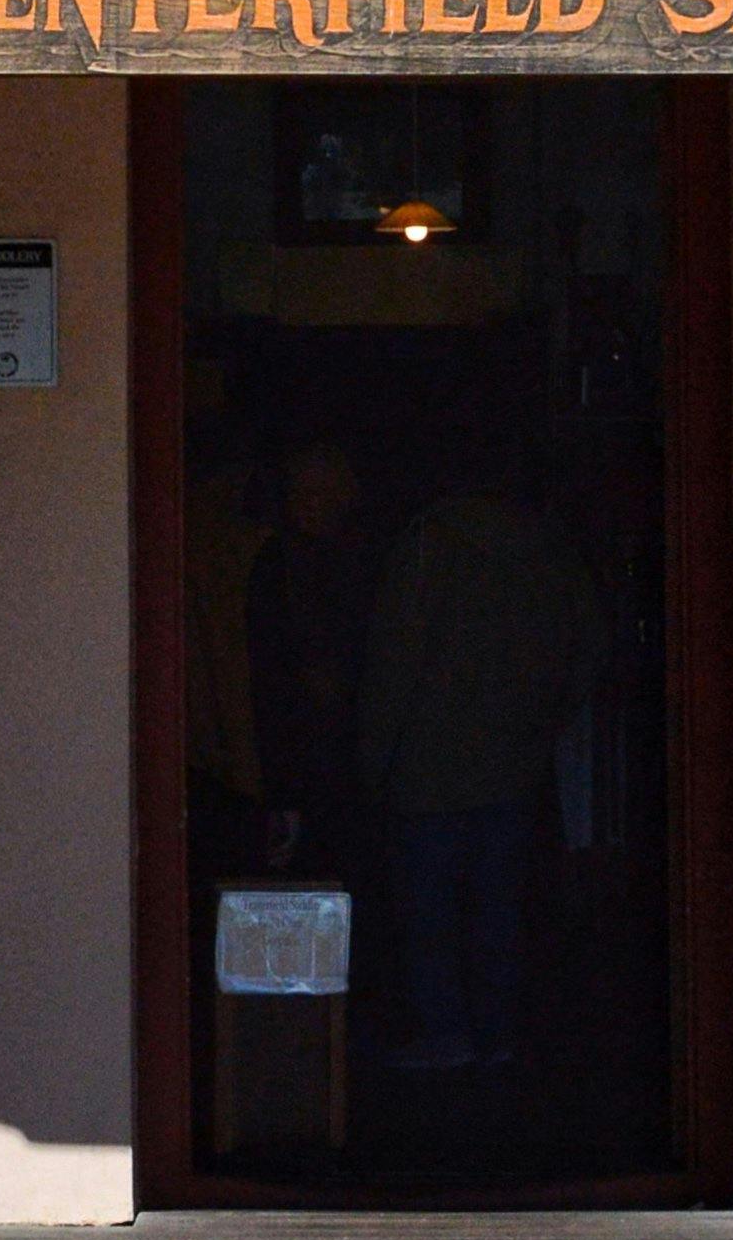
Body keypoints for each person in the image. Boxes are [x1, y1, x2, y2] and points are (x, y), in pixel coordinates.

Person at [359, 469, 600, 1073]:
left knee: (429, 911)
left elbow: (395, 658)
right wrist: (546, 718)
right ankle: (496, 1034)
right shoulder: (550, 547)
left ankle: (447, 1032)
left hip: (427, 763)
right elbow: (589, 643)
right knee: (497, 905)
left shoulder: (427, 543)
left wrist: (372, 758)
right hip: (512, 759)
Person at [242, 442, 372, 870]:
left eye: (321, 494)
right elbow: (264, 668)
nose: (310, 505)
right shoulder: (274, 564)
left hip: (349, 751)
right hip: (290, 752)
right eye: (301, 493)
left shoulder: (357, 563)